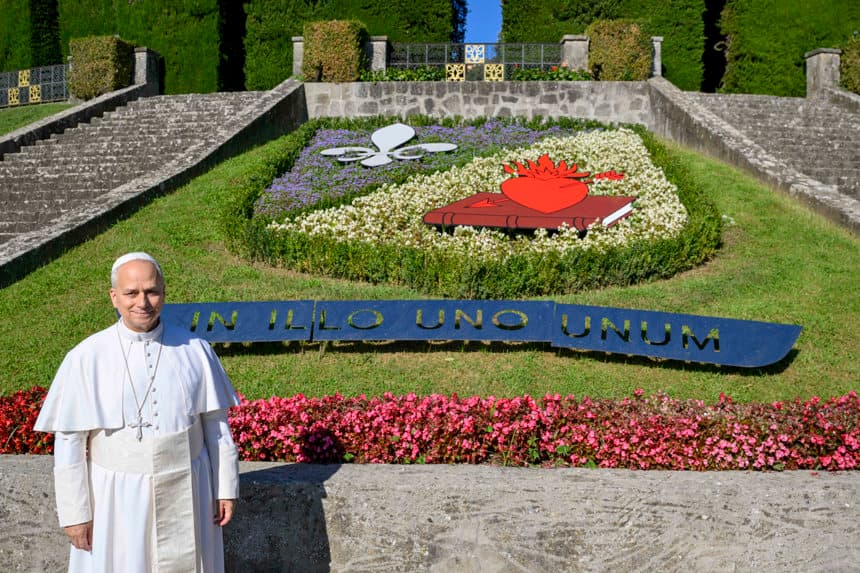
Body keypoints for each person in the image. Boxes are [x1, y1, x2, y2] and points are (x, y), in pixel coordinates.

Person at [35, 252, 240, 573]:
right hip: (115, 497)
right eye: (131, 293)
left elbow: (217, 427)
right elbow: (70, 444)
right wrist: (76, 514)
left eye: (151, 291)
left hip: (188, 486)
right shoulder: (87, 357)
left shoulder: (195, 350)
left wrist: (225, 488)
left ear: (163, 292)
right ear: (114, 297)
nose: (142, 302)